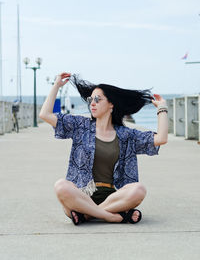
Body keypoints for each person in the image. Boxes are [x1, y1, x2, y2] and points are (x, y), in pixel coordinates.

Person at [39, 72, 168, 225]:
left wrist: (162, 109)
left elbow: (161, 139)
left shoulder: (126, 135)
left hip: (114, 196)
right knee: (61, 186)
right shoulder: (81, 126)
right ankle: (111, 216)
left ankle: (87, 215)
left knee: (139, 190)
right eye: (91, 100)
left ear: (111, 104)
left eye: (98, 100)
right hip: (82, 195)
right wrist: (56, 85)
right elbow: (45, 115)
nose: (92, 103)